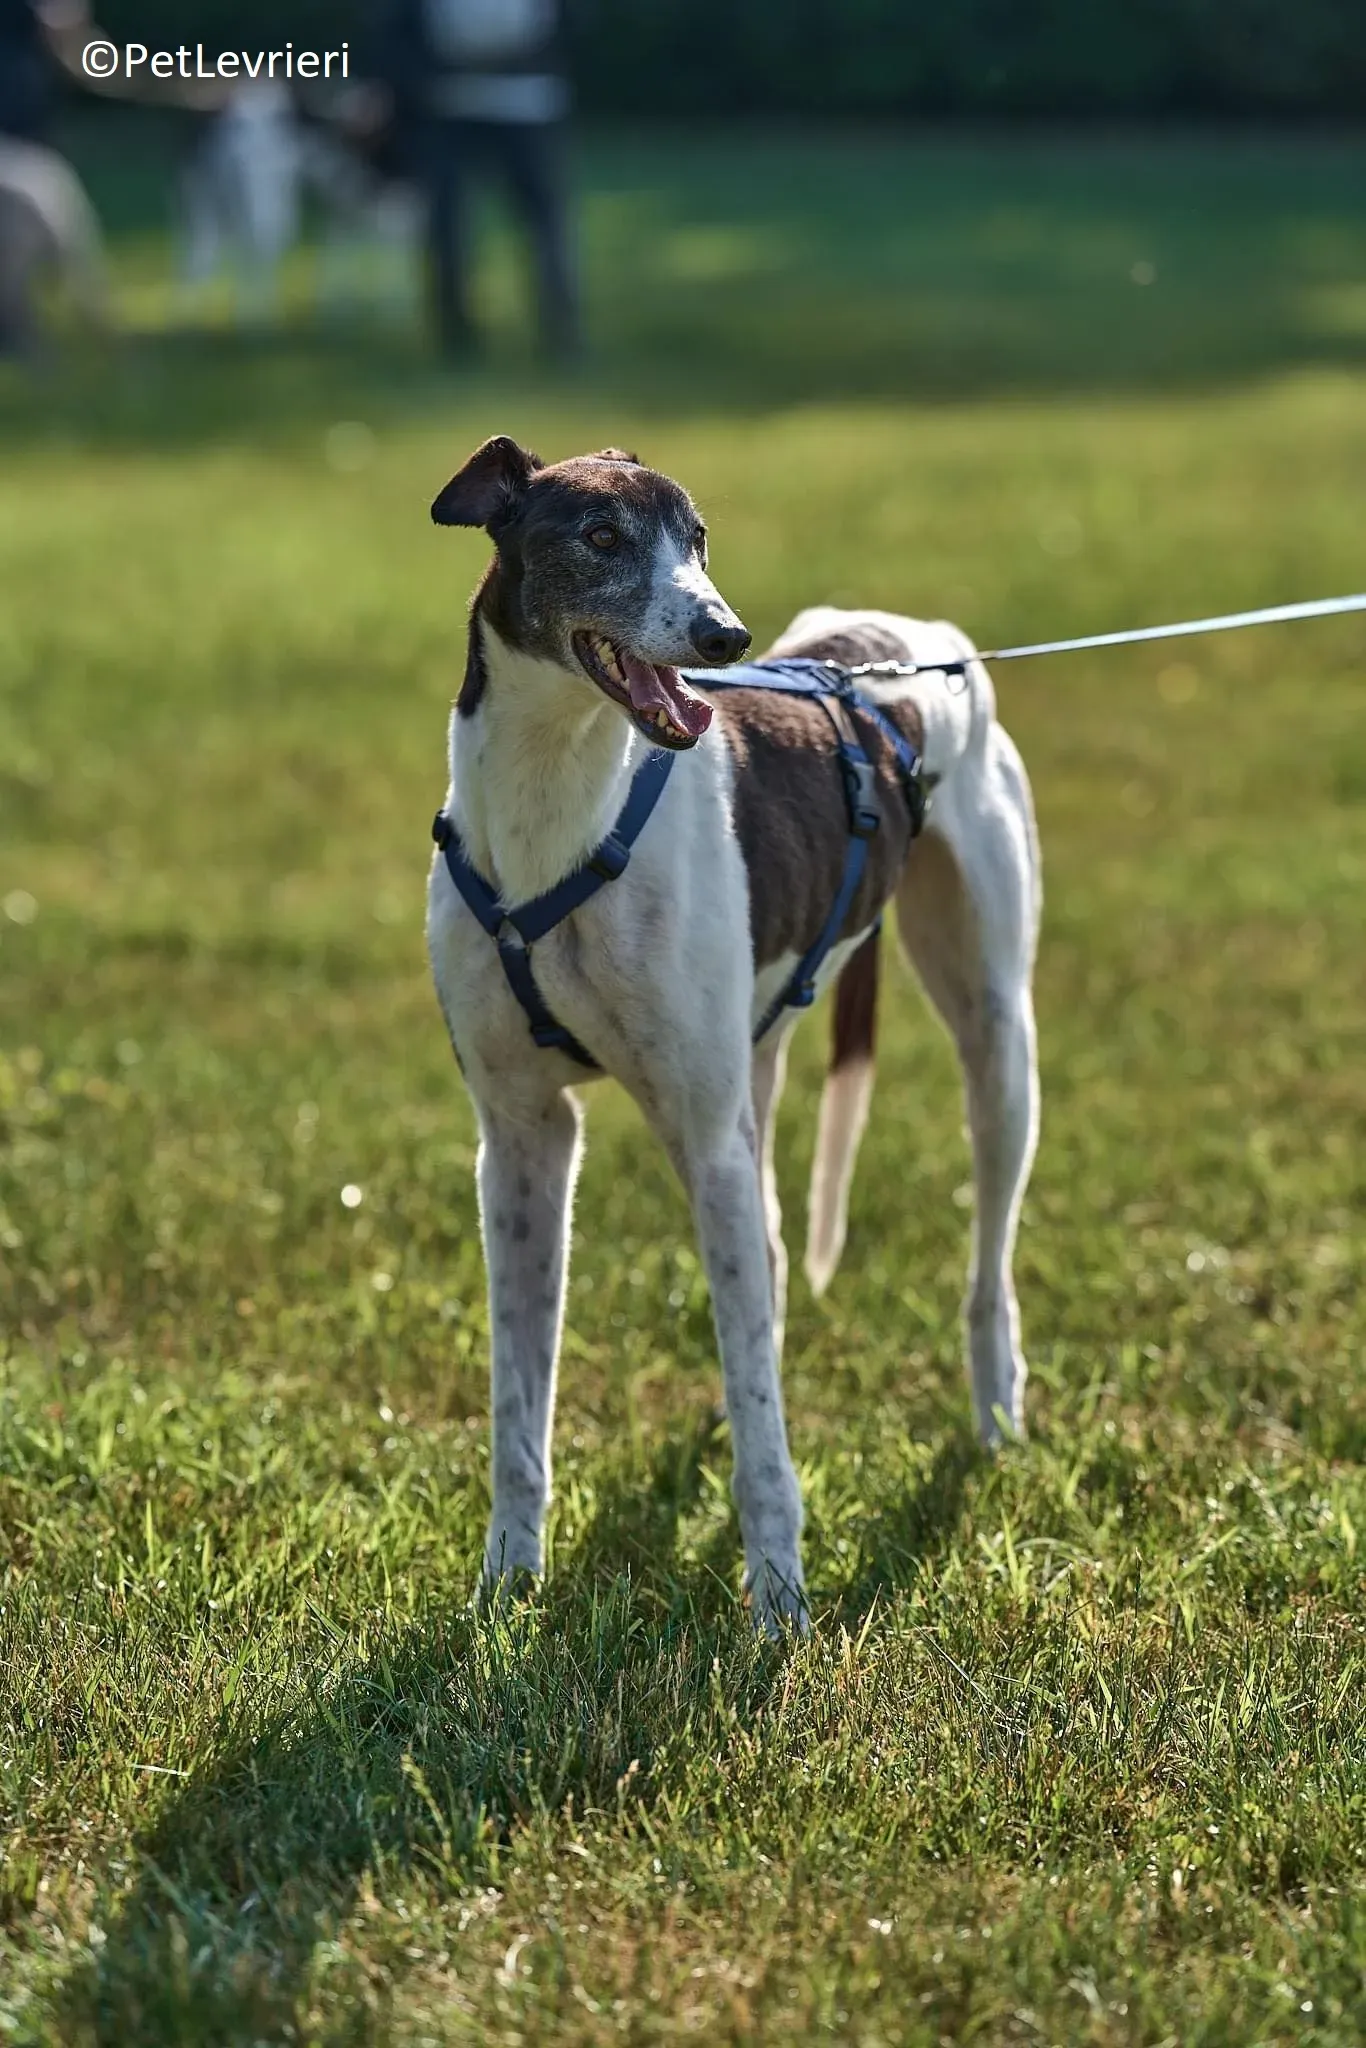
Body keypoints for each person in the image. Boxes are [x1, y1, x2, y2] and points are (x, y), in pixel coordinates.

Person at [366, 0, 579, 360]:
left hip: (527, 98)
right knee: (447, 226)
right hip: (446, 101)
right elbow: (396, 22)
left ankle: (562, 333)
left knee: (544, 223)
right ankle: (456, 339)